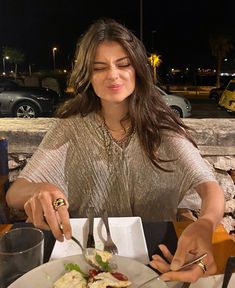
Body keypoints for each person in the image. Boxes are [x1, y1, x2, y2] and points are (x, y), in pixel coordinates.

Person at [6, 19, 225, 283]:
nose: (113, 75)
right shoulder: (70, 127)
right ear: (87, 75)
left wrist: (205, 223)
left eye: (123, 64)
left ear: (137, 69)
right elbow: (15, 194)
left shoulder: (161, 125)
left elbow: (207, 185)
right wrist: (36, 190)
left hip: (157, 258)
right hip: (87, 261)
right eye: (99, 68)